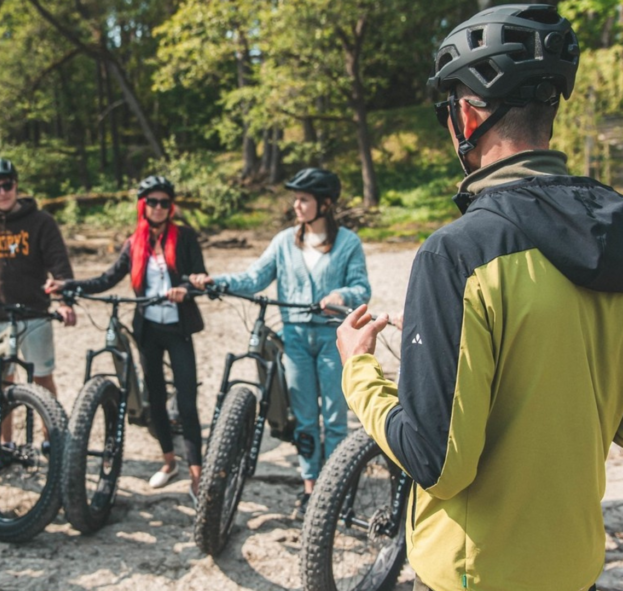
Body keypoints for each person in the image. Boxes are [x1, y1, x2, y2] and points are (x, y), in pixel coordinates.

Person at [336, 5, 623, 590]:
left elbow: (437, 462)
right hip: (574, 566)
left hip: (479, 573)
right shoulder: (613, 236)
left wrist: (358, 370)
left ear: (466, 114)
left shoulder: (458, 254)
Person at [190, 167, 371, 519]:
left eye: (304, 199)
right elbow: (254, 277)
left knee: (335, 417)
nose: (296, 205)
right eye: (296, 199)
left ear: (325, 203)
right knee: (304, 418)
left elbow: (362, 287)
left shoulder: (349, 242)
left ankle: (337, 488)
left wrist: (341, 295)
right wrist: (218, 282)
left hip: (334, 337)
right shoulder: (284, 241)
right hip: (295, 341)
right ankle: (310, 487)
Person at [47, 175, 207, 505]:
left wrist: (185, 289)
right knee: (155, 399)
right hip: (148, 330)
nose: (158, 207)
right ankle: (169, 462)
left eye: (164, 202)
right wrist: (69, 286)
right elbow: (107, 278)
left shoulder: (186, 237)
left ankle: (197, 474)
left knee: (187, 400)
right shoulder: (134, 243)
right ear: (143, 206)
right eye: (153, 202)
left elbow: (198, 277)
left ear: (171, 207)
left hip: (178, 329)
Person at [0, 158, 76, 434]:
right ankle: (6, 443)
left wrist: (65, 302)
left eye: (7, 185)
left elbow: (59, 265)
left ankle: (52, 439)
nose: (2, 192)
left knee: (42, 378)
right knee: (0, 383)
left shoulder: (41, 221)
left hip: (34, 312)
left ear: (16, 184)